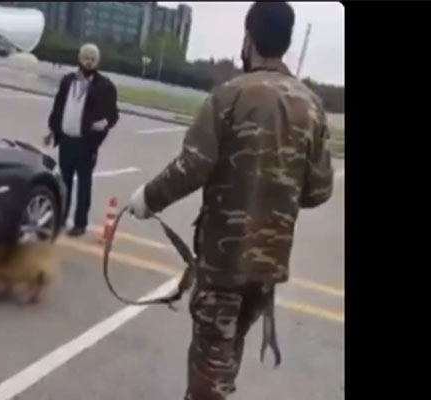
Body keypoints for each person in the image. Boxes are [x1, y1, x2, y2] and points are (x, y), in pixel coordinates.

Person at [127, 2, 334, 399]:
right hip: (267, 267)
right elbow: (319, 190)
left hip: (225, 261)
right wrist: (279, 192)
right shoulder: (312, 106)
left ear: (248, 39)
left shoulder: (230, 96)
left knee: (210, 372)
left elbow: (193, 166)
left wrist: (147, 199)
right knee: (225, 354)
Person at [45, 43, 119, 237]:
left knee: (84, 185)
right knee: (64, 183)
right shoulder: (68, 81)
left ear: (98, 62)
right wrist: (53, 129)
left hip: (86, 145)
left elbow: (112, 115)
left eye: (92, 59)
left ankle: (80, 223)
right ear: (79, 58)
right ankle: (61, 218)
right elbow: (58, 106)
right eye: (85, 57)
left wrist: (101, 126)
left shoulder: (104, 86)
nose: (88, 62)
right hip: (66, 141)